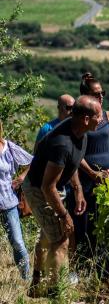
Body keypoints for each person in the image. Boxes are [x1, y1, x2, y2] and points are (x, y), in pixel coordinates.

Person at [22, 95, 102, 297]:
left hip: (51, 185)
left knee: (49, 236)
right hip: (38, 189)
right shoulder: (62, 142)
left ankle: (37, 285)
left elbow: (73, 160)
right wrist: (64, 214)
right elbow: (47, 186)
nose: (101, 120)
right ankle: (56, 293)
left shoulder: (78, 131)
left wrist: (79, 187)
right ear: (85, 118)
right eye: (98, 116)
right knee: (61, 238)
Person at [68, 72, 109, 256]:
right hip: (87, 179)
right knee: (86, 224)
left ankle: (107, 264)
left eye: (102, 93)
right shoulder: (78, 120)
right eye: (96, 94)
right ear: (86, 97)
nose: (100, 97)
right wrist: (91, 173)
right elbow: (74, 152)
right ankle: (85, 265)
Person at [0, 120, 32, 280]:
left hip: (8, 202)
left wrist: (21, 177)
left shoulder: (9, 148)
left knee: (18, 243)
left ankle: (26, 280)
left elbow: (34, 161)